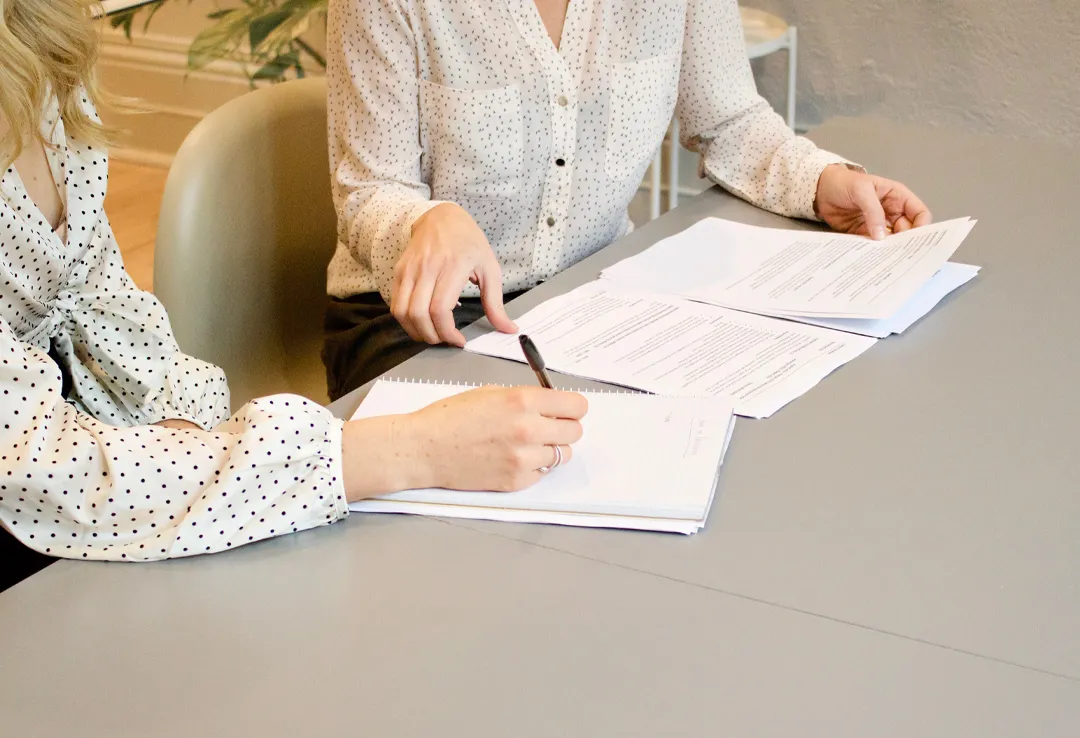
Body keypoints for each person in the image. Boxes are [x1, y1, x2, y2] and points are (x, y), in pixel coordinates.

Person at [0, 0, 587, 586]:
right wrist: (415, 449)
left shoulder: (41, 53)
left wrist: (183, 431)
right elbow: (45, 471)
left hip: (111, 477)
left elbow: (109, 313)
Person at [323, 0, 933, 399]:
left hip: (590, 300)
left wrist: (822, 181)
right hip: (417, 321)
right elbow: (368, 190)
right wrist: (426, 221)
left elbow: (728, 119)